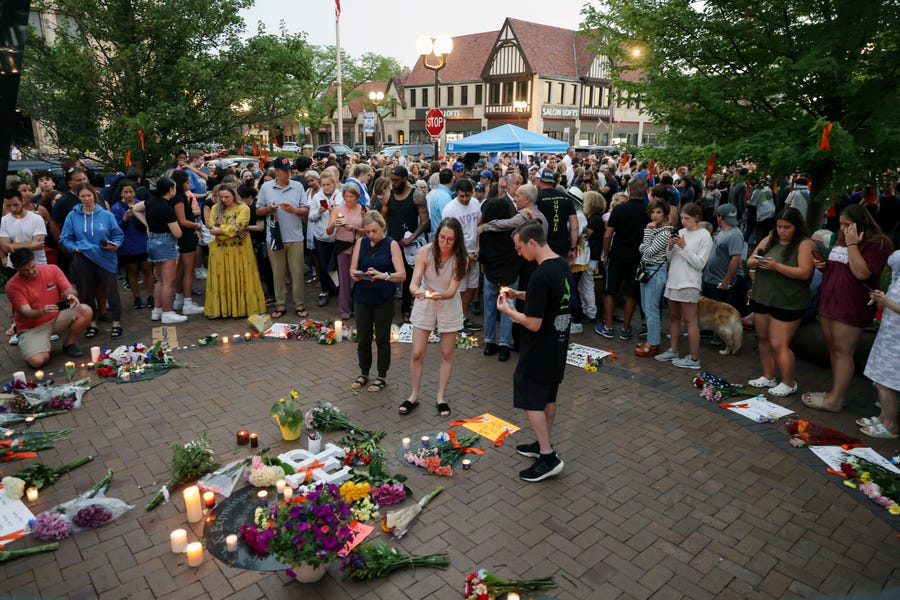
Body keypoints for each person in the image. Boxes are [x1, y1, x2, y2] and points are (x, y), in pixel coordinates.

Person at [497, 220, 571, 482]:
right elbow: (546, 298)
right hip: (558, 344)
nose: (519, 253)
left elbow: (533, 322)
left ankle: (548, 456)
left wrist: (508, 311)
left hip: (539, 347)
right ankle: (543, 445)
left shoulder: (540, 274)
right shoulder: (560, 264)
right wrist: (518, 294)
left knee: (530, 396)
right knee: (548, 396)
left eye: (519, 248)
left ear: (531, 242)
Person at [802, 204, 892, 412]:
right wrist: (826, 266)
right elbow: (840, 270)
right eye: (841, 224)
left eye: (847, 224)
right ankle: (836, 393)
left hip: (851, 306)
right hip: (830, 301)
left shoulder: (877, 244)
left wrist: (852, 245)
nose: (843, 229)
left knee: (843, 351)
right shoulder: (841, 238)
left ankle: (835, 400)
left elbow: (862, 273)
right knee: (834, 349)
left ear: (861, 223)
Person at [399, 217, 466, 417]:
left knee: (446, 353)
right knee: (417, 352)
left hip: (448, 302)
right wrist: (416, 291)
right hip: (425, 301)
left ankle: (441, 396)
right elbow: (413, 282)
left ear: (457, 241)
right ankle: (414, 395)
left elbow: (452, 290)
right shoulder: (425, 252)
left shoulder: (461, 258)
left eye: (450, 240)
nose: (444, 243)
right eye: (442, 238)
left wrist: (439, 295)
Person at [746, 208, 816, 396]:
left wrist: (776, 267)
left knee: (779, 343)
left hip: (788, 301)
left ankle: (788, 381)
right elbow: (750, 260)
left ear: (796, 227)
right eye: (779, 226)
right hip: (763, 296)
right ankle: (768, 376)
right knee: (763, 338)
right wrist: (756, 263)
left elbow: (804, 273)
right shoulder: (770, 239)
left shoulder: (804, 244)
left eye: (787, 227)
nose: (782, 231)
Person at [59, 182, 124, 339]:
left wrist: (115, 245)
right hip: (84, 257)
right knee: (87, 291)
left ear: (94, 195)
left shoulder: (106, 215)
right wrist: (74, 247)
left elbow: (118, 235)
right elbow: (64, 237)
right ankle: (91, 324)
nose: (86, 199)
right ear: (78, 197)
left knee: (111, 290)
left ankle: (116, 323)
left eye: (89, 195)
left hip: (105, 256)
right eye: (83, 196)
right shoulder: (73, 216)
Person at [349, 211, 406, 393]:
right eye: (367, 232)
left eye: (374, 231)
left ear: (382, 226)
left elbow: (402, 275)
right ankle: (364, 372)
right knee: (363, 337)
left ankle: (382, 375)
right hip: (362, 295)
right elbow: (353, 268)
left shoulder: (392, 244)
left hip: (383, 297)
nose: (371, 236)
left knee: (382, 338)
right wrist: (355, 275)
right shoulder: (361, 242)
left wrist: (383, 275)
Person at [6, 248, 93, 366]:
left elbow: (68, 289)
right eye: (25, 270)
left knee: (85, 310)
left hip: (56, 317)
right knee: (37, 362)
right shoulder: (12, 286)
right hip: (32, 327)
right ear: (16, 269)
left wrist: (71, 295)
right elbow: (26, 313)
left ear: (34, 260)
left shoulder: (52, 269)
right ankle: (37, 345)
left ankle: (69, 343)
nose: (31, 272)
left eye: (32, 267)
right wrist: (42, 311)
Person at [654, 202, 713, 368]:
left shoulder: (704, 236)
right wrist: (671, 247)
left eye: (687, 218)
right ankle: (673, 350)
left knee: (690, 321)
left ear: (696, 218)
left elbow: (700, 264)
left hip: (689, 283)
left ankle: (694, 358)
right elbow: (670, 259)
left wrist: (683, 247)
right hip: (673, 280)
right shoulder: (680, 232)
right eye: (682, 218)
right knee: (673, 317)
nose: (684, 221)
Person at [256, 156, 310, 319]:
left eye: (290, 170)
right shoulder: (266, 187)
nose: (288, 173)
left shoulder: (298, 186)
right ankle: (280, 304)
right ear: (277, 171)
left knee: (298, 272)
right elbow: (258, 211)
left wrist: (294, 210)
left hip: (295, 237)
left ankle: (299, 304)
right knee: (277, 273)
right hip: (274, 237)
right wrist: (269, 209)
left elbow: (306, 209)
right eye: (285, 170)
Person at [597, 177, 650, 339]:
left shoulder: (619, 210)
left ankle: (609, 327)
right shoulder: (648, 211)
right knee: (632, 293)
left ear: (629, 190)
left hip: (618, 254)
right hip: (638, 256)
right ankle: (626, 329)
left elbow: (607, 235)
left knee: (610, 290)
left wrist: (606, 255)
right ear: (646, 191)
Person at [858, 250, 900, 438]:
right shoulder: (897, 280)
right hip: (889, 334)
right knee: (879, 377)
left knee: (886, 381)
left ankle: (890, 424)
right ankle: (884, 417)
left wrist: (887, 302)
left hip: (896, 341)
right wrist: (881, 299)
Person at [382, 166, 429, 322]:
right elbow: (383, 220)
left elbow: (425, 222)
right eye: (391, 180)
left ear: (404, 179)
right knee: (388, 274)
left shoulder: (417, 196)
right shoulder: (389, 195)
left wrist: (412, 238)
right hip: (391, 241)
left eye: (395, 180)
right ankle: (386, 307)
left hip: (409, 243)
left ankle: (406, 309)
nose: (392, 183)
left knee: (409, 277)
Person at [478, 192, 520, 362]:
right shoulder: (513, 231)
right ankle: (504, 344)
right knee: (508, 309)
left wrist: (485, 266)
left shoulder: (485, 231)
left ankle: (489, 342)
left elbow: (483, 254)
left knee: (489, 308)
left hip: (491, 274)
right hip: (510, 274)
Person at [140, 177, 186, 324]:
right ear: (170, 190)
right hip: (166, 243)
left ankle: (157, 310)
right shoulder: (166, 208)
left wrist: (148, 225)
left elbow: (135, 209)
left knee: (160, 280)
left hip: (152, 241)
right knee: (168, 282)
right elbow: (177, 233)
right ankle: (167, 312)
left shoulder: (150, 201)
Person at [441, 178, 482, 332]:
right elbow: (449, 236)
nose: (465, 199)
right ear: (456, 193)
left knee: (472, 286)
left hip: (474, 252)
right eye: (461, 196)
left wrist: (478, 247)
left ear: (472, 192)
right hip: (458, 254)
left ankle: (463, 317)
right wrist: (464, 254)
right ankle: (456, 320)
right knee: (460, 289)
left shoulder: (476, 204)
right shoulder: (450, 209)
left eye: (467, 196)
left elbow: (478, 227)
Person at [634, 199, 673, 357]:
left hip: (655, 273)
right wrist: (647, 239)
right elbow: (642, 248)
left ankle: (653, 344)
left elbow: (647, 251)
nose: (655, 215)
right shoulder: (657, 229)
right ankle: (651, 340)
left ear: (665, 214)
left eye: (658, 212)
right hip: (648, 271)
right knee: (646, 307)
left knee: (651, 310)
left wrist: (648, 231)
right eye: (652, 212)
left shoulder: (665, 231)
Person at [109, 179, 154, 310]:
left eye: (131, 192)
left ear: (135, 193)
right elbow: (114, 228)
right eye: (125, 192)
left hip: (144, 242)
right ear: (121, 193)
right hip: (128, 245)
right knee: (132, 272)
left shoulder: (142, 204)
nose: (128, 195)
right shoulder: (116, 208)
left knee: (147, 270)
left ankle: (150, 296)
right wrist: (124, 219)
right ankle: (137, 298)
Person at [326, 183, 366, 319]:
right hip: (342, 247)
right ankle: (344, 309)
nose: (348, 199)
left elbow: (367, 231)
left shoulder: (363, 209)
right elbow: (328, 230)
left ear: (357, 197)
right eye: (346, 196)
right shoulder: (337, 209)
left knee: (357, 278)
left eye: (351, 196)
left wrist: (354, 229)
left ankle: (358, 307)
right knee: (343, 279)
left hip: (358, 247)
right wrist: (334, 224)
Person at [169, 170, 204, 316]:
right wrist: (197, 226)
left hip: (184, 236)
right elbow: (182, 220)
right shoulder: (179, 199)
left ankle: (179, 299)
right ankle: (187, 302)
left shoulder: (180, 197)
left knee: (182, 270)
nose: (190, 185)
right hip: (186, 236)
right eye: (187, 182)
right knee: (187, 270)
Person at [309, 171, 340, 307]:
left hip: (337, 237)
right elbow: (311, 217)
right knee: (323, 265)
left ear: (334, 184)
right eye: (323, 185)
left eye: (328, 184)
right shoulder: (317, 197)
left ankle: (338, 288)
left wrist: (335, 213)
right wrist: (319, 211)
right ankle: (325, 291)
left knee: (336, 265)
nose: (326, 187)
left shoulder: (340, 196)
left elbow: (344, 216)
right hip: (321, 237)